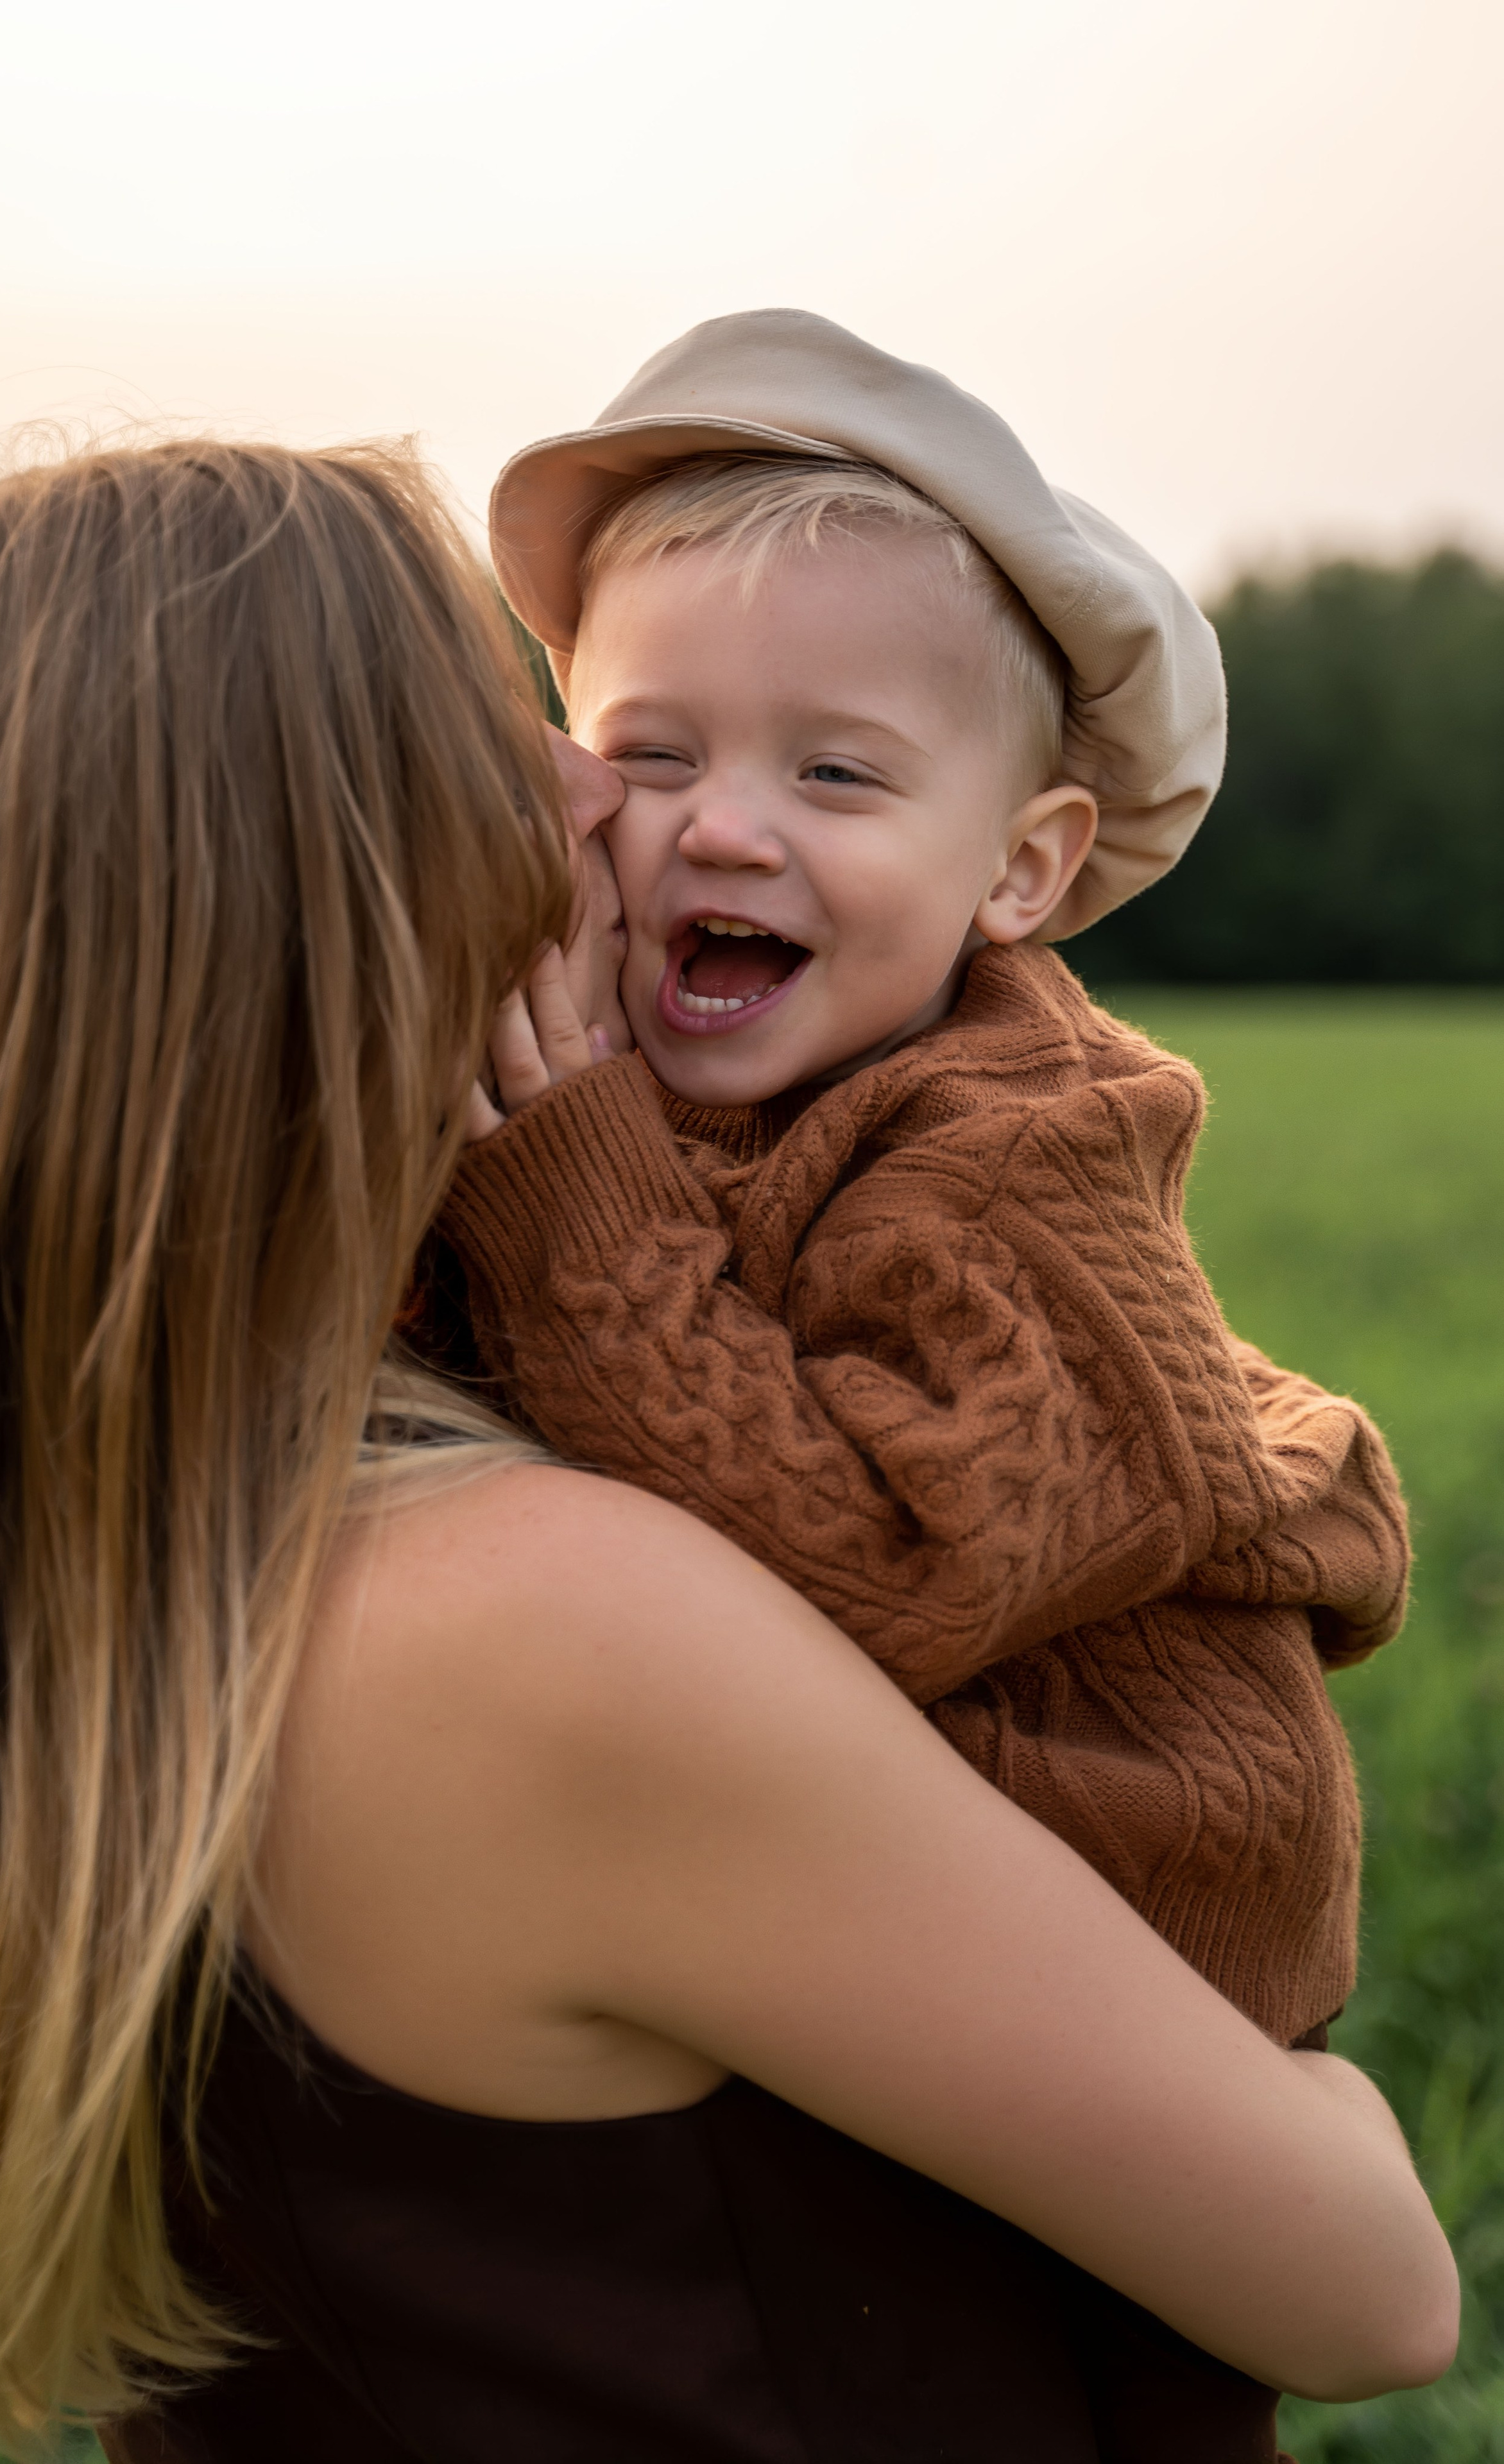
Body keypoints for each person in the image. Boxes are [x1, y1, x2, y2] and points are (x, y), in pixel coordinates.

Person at [0, 437, 1453, 2464]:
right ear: (333, 887)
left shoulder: (49, 1546)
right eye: (517, 729)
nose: (600, 800)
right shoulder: (532, 1633)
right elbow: (1372, 2284)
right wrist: (1320, 2102)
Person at [438, 311, 1417, 2452]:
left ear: (1022, 871)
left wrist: (568, 1191)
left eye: (837, 772)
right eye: (658, 750)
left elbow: (888, 1568)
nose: (723, 830)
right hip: (856, 1935)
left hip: (1128, 1942)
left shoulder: (1026, 1144)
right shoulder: (634, 1070)